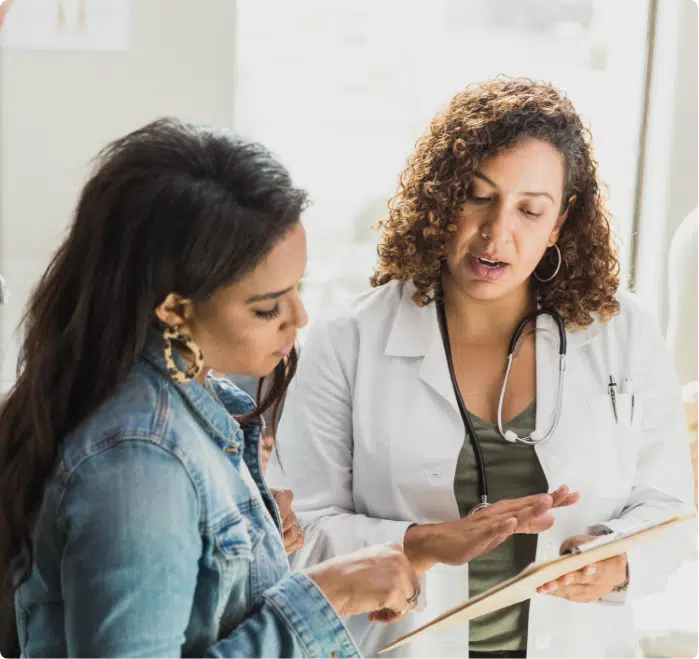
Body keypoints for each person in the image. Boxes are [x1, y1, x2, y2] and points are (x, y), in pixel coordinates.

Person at [267, 78, 697, 659]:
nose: (498, 232)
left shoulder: (622, 333)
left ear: (561, 221)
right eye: (478, 196)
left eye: (529, 209)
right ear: (443, 197)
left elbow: (668, 508)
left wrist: (617, 564)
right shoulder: (350, 338)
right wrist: (420, 544)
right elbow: (295, 533)